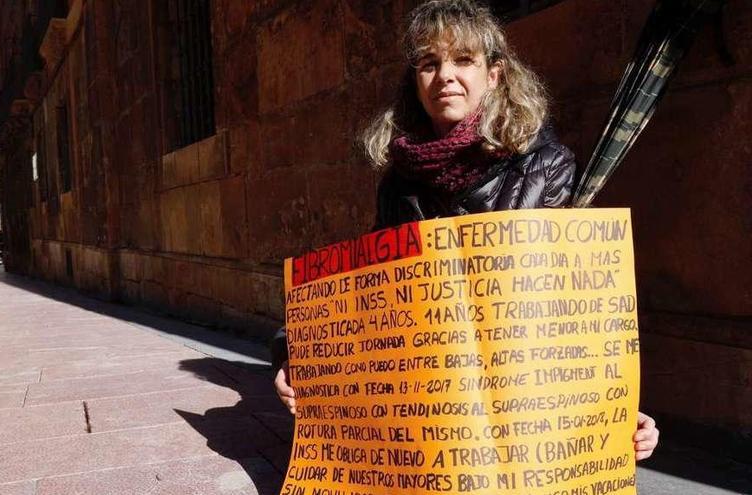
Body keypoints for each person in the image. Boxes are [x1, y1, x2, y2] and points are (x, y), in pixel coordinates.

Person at [272, 0, 659, 461]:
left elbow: (569, 305)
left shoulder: (546, 165)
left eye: (463, 60)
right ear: (415, 81)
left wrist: (612, 409)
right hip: (428, 410)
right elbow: (370, 297)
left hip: (517, 408)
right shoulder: (398, 181)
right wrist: (294, 356)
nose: (445, 76)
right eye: (429, 63)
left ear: (494, 74)